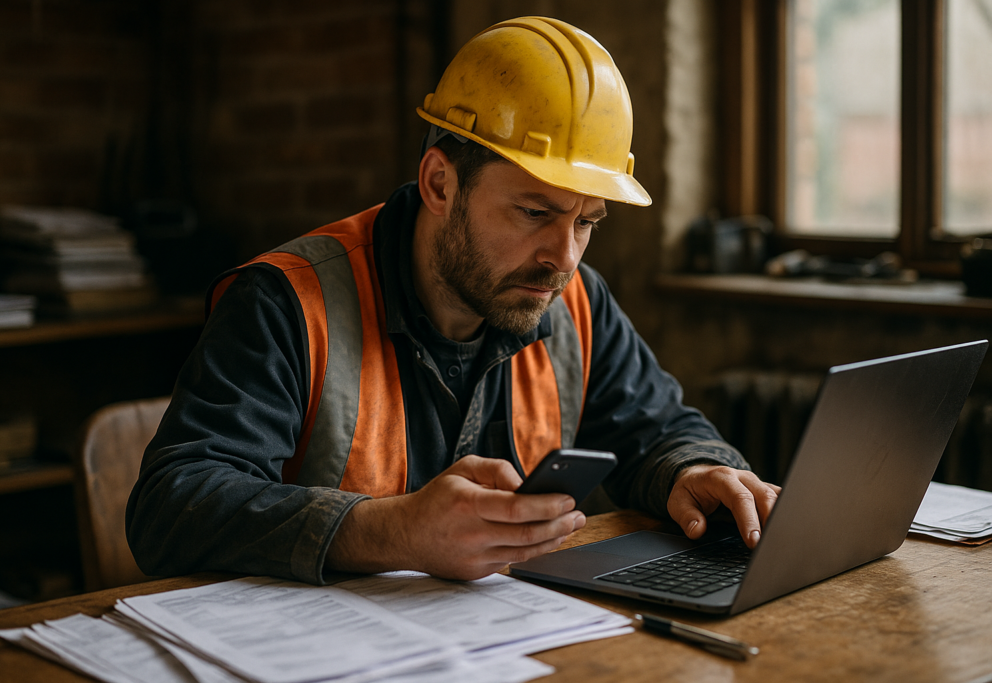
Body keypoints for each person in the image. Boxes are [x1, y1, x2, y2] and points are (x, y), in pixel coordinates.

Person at [126, 16, 779, 585]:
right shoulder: (289, 303)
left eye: (587, 222)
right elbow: (171, 507)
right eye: (533, 211)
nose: (565, 257)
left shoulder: (573, 301)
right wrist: (394, 530)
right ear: (439, 182)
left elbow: (658, 427)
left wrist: (692, 469)